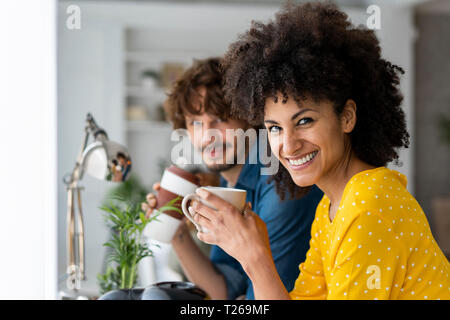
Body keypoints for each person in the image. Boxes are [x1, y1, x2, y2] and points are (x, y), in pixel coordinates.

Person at [189, 2, 450, 300]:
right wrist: (254, 252)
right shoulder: (330, 206)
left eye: (304, 121)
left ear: (347, 116)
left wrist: (256, 259)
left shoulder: (367, 208)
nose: (288, 145)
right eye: (274, 127)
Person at [141, 57, 323, 299]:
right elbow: (223, 289)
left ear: (249, 117)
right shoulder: (229, 186)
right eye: (196, 123)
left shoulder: (280, 181)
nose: (207, 137)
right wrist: (177, 233)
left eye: (220, 118)